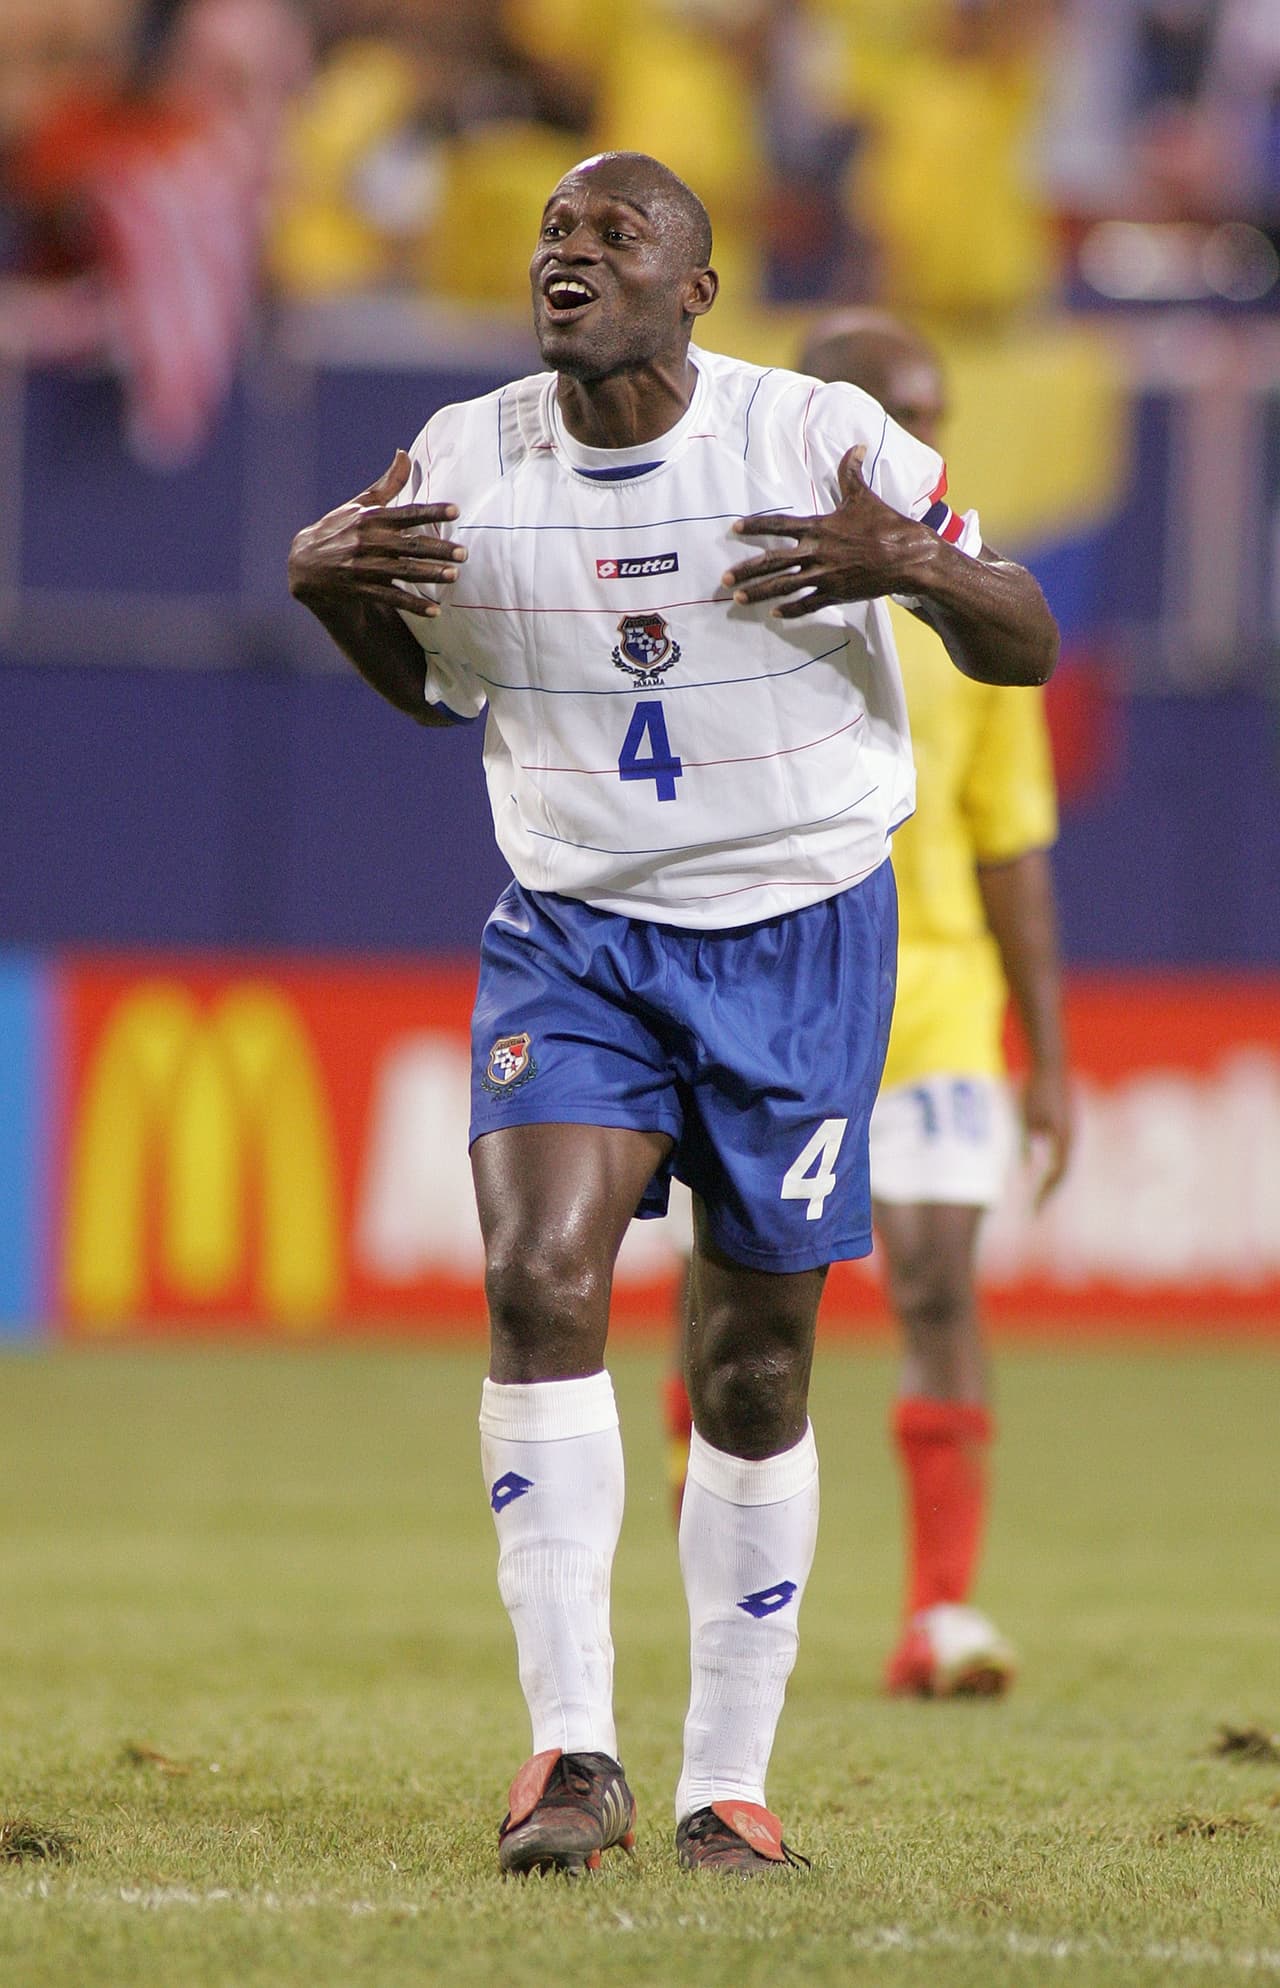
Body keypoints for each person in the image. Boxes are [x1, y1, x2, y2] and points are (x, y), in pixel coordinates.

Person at [287, 152, 1058, 1878]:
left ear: (694, 288)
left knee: (753, 1363)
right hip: (575, 931)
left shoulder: (814, 436)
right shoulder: (470, 457)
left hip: (800, 932)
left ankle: (730, 1782)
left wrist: (909, 562)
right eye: (553, 232)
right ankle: (572, 1757)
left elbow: (1027, 642)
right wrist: (337, 591)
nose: (569, 254)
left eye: (612, 234)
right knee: (537, 1280)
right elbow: (426, 696)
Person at [664, 309, 1072, 1699]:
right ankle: (708, 1575)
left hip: (934, 994)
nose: (925, 445)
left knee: (936, 1281)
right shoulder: (711, 564)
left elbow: (1006, 834)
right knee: (733, 1296)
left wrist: (1049, 1056)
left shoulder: (970, 586)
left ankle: (939, 1615)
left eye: (937, 416)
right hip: (762, 977)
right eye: (899, 414)